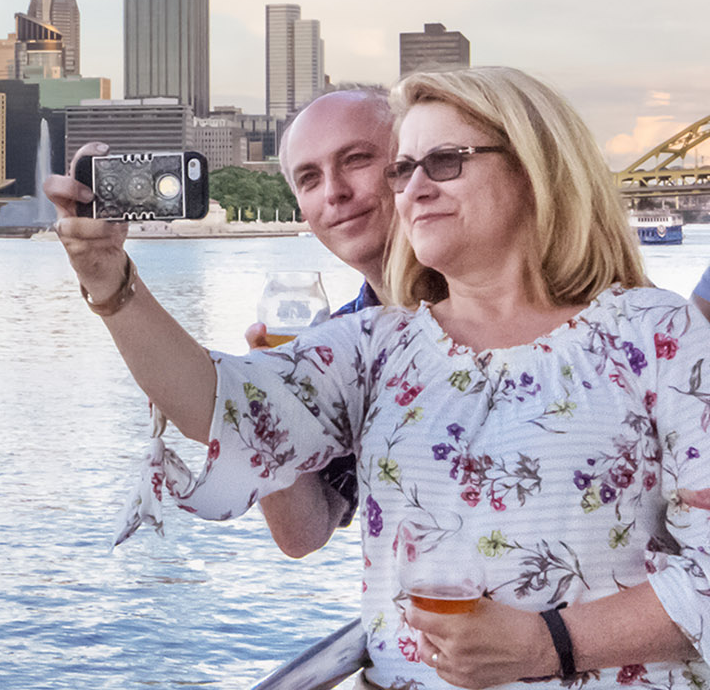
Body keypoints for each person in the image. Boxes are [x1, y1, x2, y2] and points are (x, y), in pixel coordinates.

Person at [48, 66, 710, 688]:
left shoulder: (659, 336)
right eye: (402, 168)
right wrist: (110, 282)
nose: (414, 188)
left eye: (444, 162)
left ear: (537, 167)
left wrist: (547, 644)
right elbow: (223, 407)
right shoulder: (372, 346)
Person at [247, 89, 396, 558]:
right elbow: (303, 533)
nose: (334, 192)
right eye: (309, 179)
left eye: (355, 160)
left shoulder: (505, 307)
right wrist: (268, 396)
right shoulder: (341, 337)